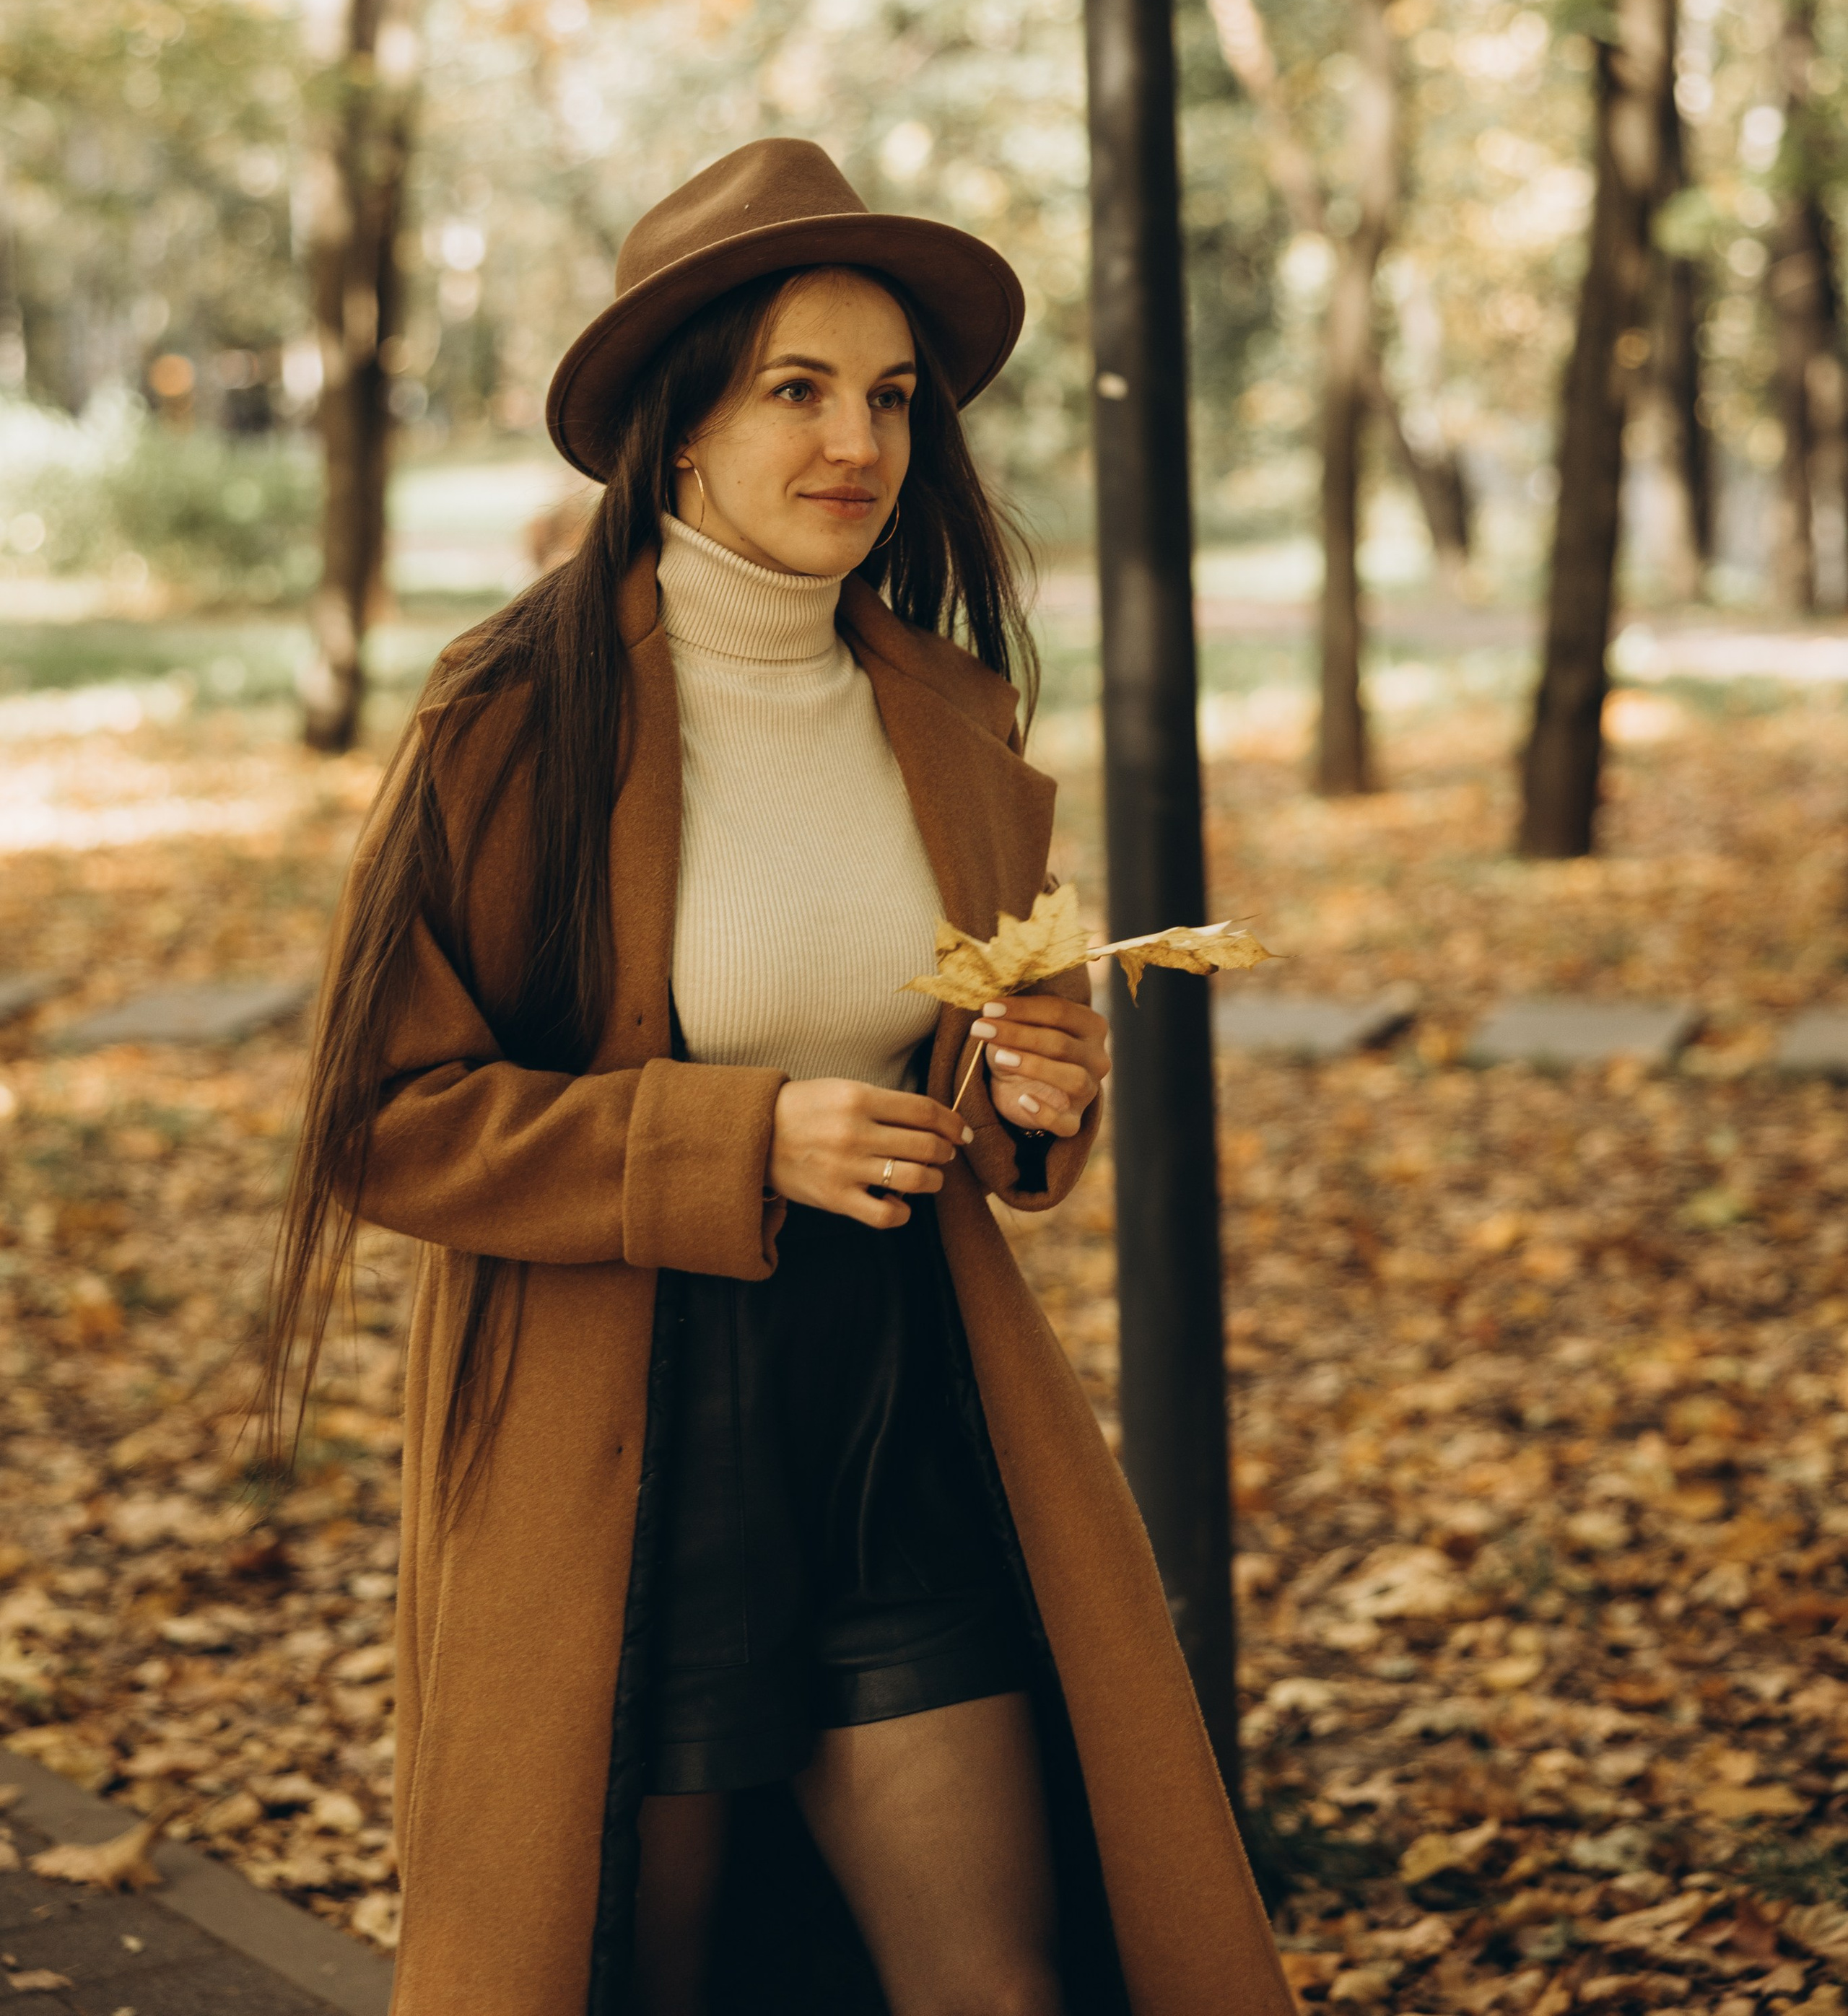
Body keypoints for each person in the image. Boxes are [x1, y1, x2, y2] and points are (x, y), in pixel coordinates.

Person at [263, 141, 1289, 2016]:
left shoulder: (945, 713)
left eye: (891, 397)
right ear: (676, 430)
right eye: (796, 391)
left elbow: (974, 1093)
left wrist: (1027, 1097)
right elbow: (383, 1123)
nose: (860, 442)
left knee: (998, 1980)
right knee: (634, 1976)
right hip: (628, 1436)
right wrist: (741, 1138)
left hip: (901, 1391)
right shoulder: (514, 721)